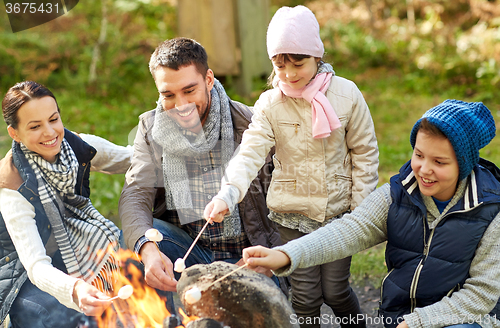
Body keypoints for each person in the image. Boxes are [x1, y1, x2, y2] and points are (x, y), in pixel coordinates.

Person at [242, 99, 500, 328]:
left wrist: (418, 323)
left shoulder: (491, 210)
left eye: (439, 162)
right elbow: (349, 230)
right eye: (419, 155)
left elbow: (481, 294)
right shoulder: (397, 195)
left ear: (464, 164)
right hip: (400, 317)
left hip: (465, 319)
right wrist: (285, 254)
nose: (423, 169)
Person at [204, 5, 379, 328]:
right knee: (306, 296)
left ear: (316, 55)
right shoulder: (271, 103)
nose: (288, 75)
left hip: (339, 213)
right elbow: (250, 152)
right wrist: (228, 193)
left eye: (298, 64)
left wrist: (361, 212)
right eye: (279, 66)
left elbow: (365, 153)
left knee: (336, 291)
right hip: (292, 214)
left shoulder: (347, 95)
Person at [118, 37, 282, 296]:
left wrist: (271, 257)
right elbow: (135, 193)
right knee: (137, 239)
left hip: (249, 256)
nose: (181, 105)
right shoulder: (150, 128)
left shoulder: (253, 124)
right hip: (187, 251)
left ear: (208, 79)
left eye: (189, 90)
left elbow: (290, 206)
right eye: (168, 95)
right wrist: (147, 249)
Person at [0, 81, 131, 328]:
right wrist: (75, 289)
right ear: (14, 133)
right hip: (20, 270)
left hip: (72, 248)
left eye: (54, 119)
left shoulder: (78, 148)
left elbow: (133, 159)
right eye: (35, 126)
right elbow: (35, 266)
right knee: (54, 316)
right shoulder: (11, 186)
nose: (50, 132)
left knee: (141, 261)